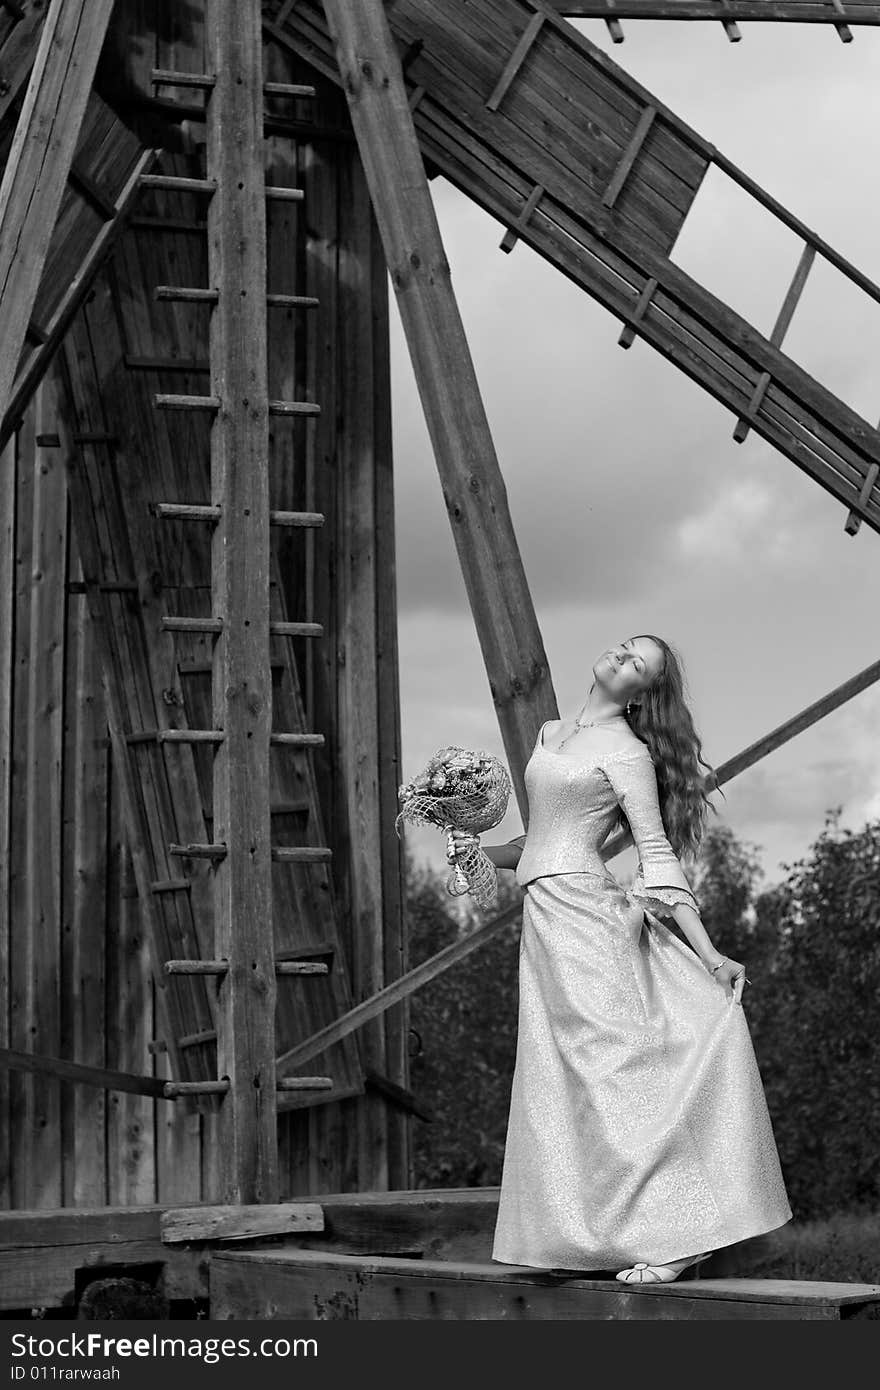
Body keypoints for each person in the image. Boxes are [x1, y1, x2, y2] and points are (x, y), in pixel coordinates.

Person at [448, 635, 792, 1284]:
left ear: (643, 694)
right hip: (545, 922)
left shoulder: (628, 755)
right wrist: (477, 849)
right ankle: (592, 1237)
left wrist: (711, 951)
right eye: (626, 647)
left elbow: (655, 853)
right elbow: (540, 842)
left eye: (638, 664)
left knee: (617, 1073)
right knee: (564, 1082)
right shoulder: (551, 733)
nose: (621, 657)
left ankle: (682, 1238)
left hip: (590, 920)